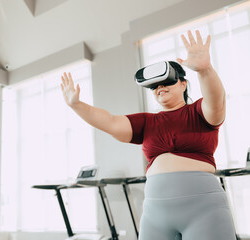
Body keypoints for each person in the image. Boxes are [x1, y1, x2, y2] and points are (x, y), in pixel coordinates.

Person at [60, 30, 237, 240]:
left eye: (166, 82)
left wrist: (205, 70)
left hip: (203, 209)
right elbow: (110, 122)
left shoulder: (199, 111)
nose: (159, 87)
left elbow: (216, 100)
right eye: (154, 86)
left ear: (183, 83)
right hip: (156, 211)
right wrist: (76, 105)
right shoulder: (147, 122)